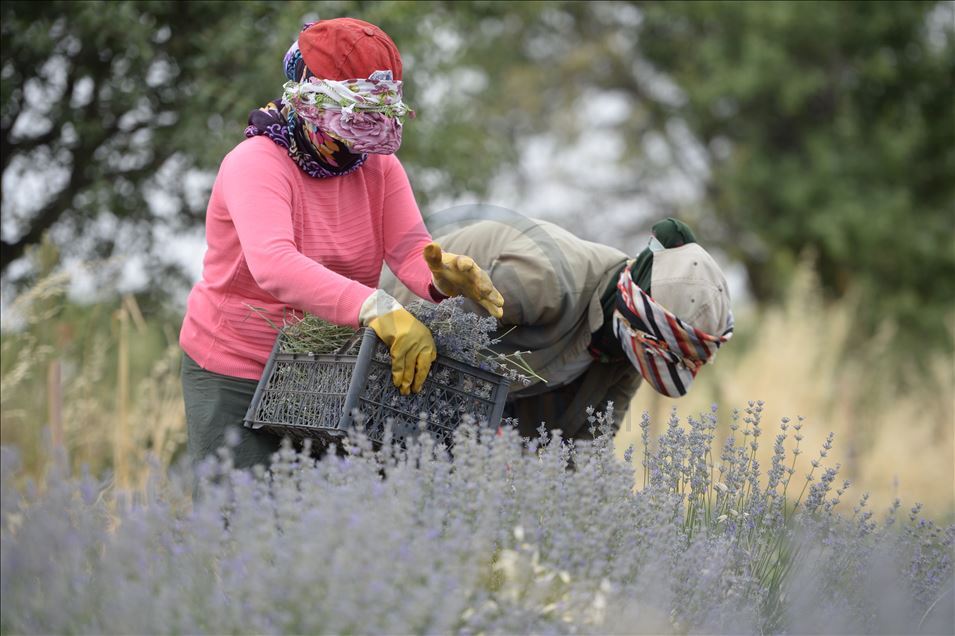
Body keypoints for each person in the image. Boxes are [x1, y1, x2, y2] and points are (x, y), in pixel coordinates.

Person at [179, 19, 503, 470]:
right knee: (240, 526)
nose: (359, 144)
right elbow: (273, 264)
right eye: (351, 125)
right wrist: (377, 308)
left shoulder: (378, 168)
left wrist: (440, 276)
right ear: (308, 100)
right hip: (237, 370)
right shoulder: (255, 164)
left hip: (326, 371)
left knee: (326, 529)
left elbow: (410, 249)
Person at [383, 208, 733, 439]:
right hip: (402, 330)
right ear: (635, 319)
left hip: (492, 396)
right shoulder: (547, 281)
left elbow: (586, 448)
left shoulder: (622, 356)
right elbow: (440, 333)